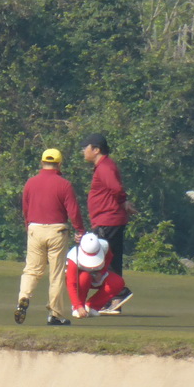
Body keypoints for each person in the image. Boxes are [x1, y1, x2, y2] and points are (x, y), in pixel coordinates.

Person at [14, 148, 85, 326]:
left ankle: (23, 297)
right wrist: (80, 230)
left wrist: (28, 226)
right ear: (59, 164)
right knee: (56, 274)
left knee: (32, 270)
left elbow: (25, 209)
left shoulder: (30, 183)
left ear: (42, 162)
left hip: (35, 229)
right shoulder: (64, 184)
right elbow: (73, 211)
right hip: (57, 231)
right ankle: (55, 314)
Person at [80, 133, 135, 314]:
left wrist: (122, 201)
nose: (83, 151)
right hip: (108, 220)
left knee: (102, 260)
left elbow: (116, 189)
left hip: (108, 220)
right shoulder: (104, 166)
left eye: (85, 147)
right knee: (109, 260)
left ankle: (119, 293)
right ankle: (113, 300)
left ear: (96, 150)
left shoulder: (104, 167)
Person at [65, 233, 133, 319]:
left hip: (96, 274)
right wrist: (78, 305)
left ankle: (92, 306)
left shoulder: (104, 246)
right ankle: (78, 308)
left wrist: (101, 272)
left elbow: (108, 257)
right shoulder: (73, 256)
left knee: (117, 282)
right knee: (84, 277)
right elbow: (71, 283)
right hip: (80, 278)